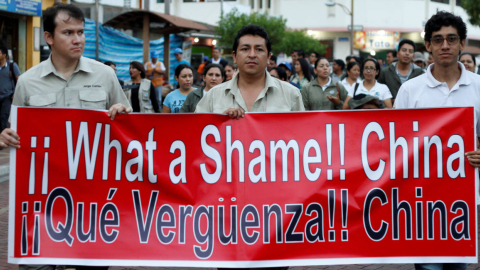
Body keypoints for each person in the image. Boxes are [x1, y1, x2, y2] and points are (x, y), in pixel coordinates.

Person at [1, 3, 131, 270]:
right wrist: (6, 135)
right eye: (68, 32)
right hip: (43, 201)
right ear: (49, 37)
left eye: (81, 32)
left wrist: (123, 114)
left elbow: (130, 129)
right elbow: (17, 132)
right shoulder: (27, 81)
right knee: (36, 265)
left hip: (93, 201)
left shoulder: (105, 75)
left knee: (92, 266)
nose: (78, 39)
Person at [395, 11, 480, 270]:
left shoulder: (478, 86)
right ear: (429, 46)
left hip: (463, 201)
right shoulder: (410, 90)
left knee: (458, 266)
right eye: (438, 39)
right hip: (421, 201)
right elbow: (395, 144)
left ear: (462, 43)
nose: (445, 45)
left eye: (452, 38)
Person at [196, 24, 304, 120]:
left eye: (259, 49)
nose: (252, 55)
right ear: (234, 56)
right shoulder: (213, 95)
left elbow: (302, 136)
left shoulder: (291, 94)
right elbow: (196, 133)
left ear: (268, 57)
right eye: (245, 49)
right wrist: (219, 123)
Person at [0, 46, 20, 133]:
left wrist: (15, 93)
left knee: (3, 118)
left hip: (7, 97)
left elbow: (19, 80)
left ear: (4, 55)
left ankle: (4, 140)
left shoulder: (12, 66)